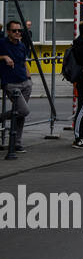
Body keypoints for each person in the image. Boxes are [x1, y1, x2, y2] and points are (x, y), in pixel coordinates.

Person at [0, 19, 32, 159]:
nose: (18, 33)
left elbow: (24, 61)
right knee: (23, 110)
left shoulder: (22, 45)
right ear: (8, 32)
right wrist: (4, 57)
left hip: (25, 83)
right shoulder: (2, 43)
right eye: (14, 31)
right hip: (11, 84)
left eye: (20, 30)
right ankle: (0, 118)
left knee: (21, 114)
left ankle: (17, 143)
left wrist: (29, 78)